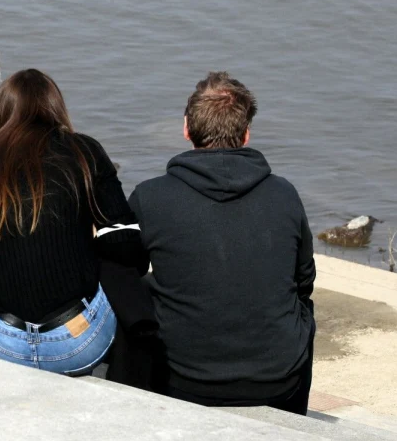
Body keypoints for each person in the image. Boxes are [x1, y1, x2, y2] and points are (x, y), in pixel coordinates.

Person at [129, 72, 316, 415]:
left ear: (187, 128)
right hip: (277, 377)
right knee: (302, 310)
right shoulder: (284, 194)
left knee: (135, 291)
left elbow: (126, 273)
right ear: (246, 134)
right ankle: (293, 418)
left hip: (181, 376)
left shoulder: (150, 197)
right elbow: (304, 280)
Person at [0, 69, 139, 375]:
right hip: (76, 343)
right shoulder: (84, 152)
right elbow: (126, 244)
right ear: (55, 107)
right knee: (113, 266)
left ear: (1, 115)